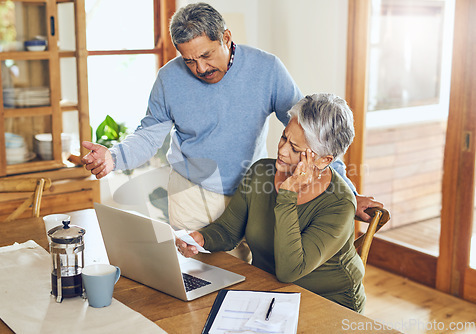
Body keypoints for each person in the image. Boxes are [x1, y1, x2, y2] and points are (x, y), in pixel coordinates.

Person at [81, 3, 381, 261]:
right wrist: (113, 157)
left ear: (226, 37)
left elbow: (313, 131)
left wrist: (350, 194)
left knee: (258, 277)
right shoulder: (169, 79)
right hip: (191, 195)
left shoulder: (267, 70)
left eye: (207, 55)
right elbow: (149, 134)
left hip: (253, 193)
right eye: (189, 60)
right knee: (202, 282)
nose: (200, 68)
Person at [177, 93, 366, 313]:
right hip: (269, 293)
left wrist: (287, 195)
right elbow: (228, 230)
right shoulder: (261, 172)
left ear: (323, 160)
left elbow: (290, 270)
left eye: (296, 149)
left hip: (328, 303)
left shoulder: (339, 204)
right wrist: (201, 238)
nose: (282, 150)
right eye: (285, 137)